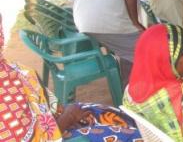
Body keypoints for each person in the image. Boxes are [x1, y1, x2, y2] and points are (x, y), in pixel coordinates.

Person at [0, 14, 141, 142]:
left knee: (110, 114)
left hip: (54, 121)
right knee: (129, 137)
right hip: (55, 134)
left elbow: (41, 107)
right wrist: (67, 119)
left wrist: (61, 114)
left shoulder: (10, 69)